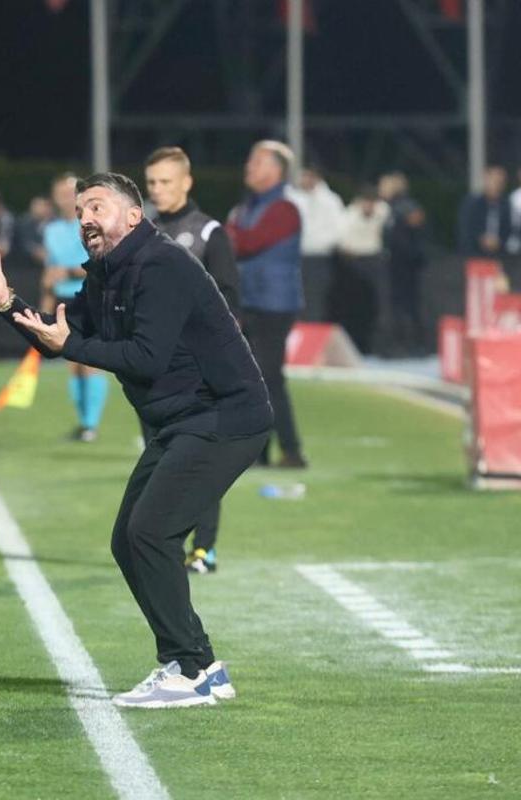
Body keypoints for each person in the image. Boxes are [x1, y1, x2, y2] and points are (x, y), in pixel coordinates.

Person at [0, 172, 271, 708]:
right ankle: (200, 665)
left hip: (225, 416)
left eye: (95, 207)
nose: (84, 220)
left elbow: (145, 356)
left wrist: (72, 344)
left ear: (133, 216)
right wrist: (6, 301)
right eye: (78, 212)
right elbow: (60, 336)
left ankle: (188, 669)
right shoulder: (107, 272)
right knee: (129, 540)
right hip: (183, 421)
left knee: (150, 533)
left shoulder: (162, 265)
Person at [144, 146, 239, 575]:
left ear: (186, 182)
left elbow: (228, 299)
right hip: (149, 369)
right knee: (160, 458)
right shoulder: (140, 231)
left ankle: (205, 548)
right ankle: (164, 543)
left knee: (197, 457)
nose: (158, 190)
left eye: (166, 182)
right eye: (151, 183)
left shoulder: (209, 233)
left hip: (196, 369)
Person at [227, 140, 307, 469]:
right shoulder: (249, 207)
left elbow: (246, 243)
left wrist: (227, 234)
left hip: (274, 304)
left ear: (276, 171)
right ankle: (266, 452)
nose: (249, 166)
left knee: (267, 376)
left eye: (257, 161)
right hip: (251, 301)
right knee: (257, 377)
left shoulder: (284, 209)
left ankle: (290, 451)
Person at [44, 173, 108, 442]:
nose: (65, 198)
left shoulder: (90, 225)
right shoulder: (50, 230)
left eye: (70, 192)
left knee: (90, 361)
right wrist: (44, 305)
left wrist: (69, 271)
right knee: (73, 362)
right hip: (62, 301)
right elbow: (49, 272)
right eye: (60, 193)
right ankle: (84, 423)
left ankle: (91, 424)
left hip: (90, 296)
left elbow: (102, 265)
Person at [332, 186, 391, 355]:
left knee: (379, 306)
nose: (369, 206)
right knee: (356, 306)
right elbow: (341, 241)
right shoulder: (349, 217)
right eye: (366, 202)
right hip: (354, 263)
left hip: (376, 262)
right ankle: (356, 346)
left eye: (372, 203)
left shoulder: (383, 213)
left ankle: (379, 347)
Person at [286, 166, 345, 322]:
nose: (306, 180)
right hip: (295, 259)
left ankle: (313, 339)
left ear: (317, 178)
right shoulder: (292, 198)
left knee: (316, 300)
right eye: (303, 176)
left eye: (310, 176)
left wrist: (316, 244)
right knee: (294, 300)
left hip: (319, 258)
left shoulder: (331, 201)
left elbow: (337, 230)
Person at [380, 172, 428, 355]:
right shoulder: (389, 208)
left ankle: (417, 345)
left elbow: (418, 236)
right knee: (398, 306)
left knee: (411, 306)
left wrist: (410, 257)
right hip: (396, 266)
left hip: (407, 267)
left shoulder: (408, 207)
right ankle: (400, 344)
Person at [458, 165, 512, 258]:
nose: (496, 184)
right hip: (474, 256)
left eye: (500, 181)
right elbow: (465, 229)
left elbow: (507, 230)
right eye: (494, 180)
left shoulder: (505, 205)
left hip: (499, 256)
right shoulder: (472, 203)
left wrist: (498, 242)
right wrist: (481, 240)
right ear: (486, 179)